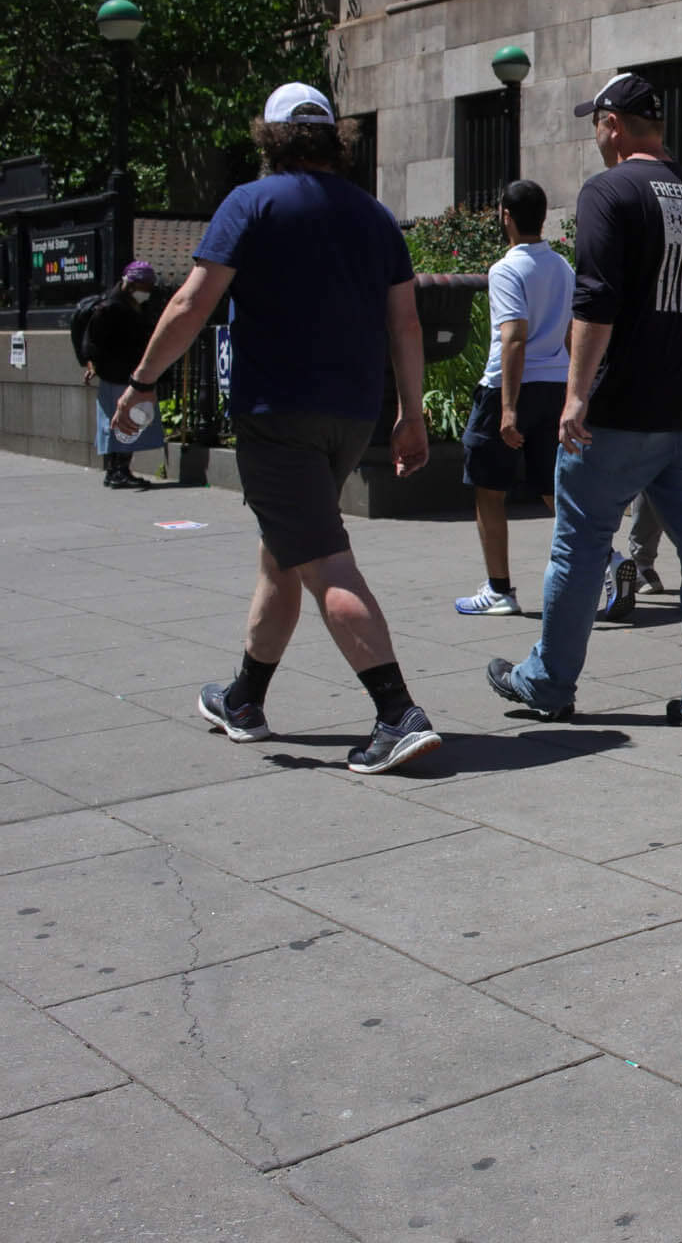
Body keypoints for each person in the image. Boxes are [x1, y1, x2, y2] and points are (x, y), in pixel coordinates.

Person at [112, 81, 442, 776]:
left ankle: (397, 712)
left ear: (272, 137)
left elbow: (193, 300)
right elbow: (406, 323)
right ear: (332, 138)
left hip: (276, 412)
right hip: (351, 413)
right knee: (282, 548)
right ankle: (245, 698)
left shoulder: (251, 202)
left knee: (321, 556)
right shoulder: (377, 218)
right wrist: (411, 415)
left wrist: (142, 382)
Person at [487, 72, 682, 732]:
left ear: (612, 126)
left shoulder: (608, 191)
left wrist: (575, 395)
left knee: (581, 544)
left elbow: (597, 301)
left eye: (596, 123)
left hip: (621, 411)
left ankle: (549, 682)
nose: (595, 133)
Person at [453, 180, 574, 617]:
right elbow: (570, 333)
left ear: (505, 215)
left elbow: (514, 338)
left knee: (488, 490)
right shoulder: (562, 267)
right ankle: (606, 563)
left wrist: (507, 408)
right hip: (555, 385)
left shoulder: (506, 270)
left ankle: (499, 589)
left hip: (509, 389)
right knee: (551, 488)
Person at [80, 260, 164, 488]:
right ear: (132, 284)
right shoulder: (110, 308)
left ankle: (118, 470)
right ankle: (117, 470)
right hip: (117, 372)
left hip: (128, 372)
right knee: (120, 422)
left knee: (125, 421)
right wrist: (93, 364)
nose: (147, 292)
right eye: (145, 286)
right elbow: (95, 341)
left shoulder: (131, 306)